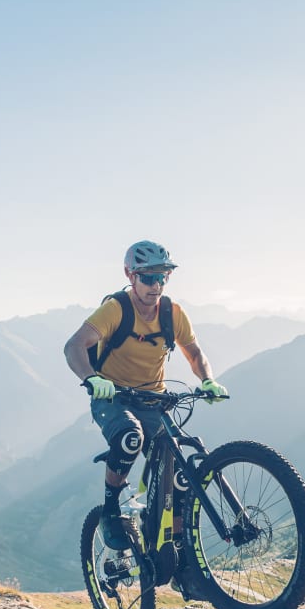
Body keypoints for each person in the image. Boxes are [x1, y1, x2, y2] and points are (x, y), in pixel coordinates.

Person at [64, 240, 228, 561]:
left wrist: (207, 379)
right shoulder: (117, 310)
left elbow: (193, 353)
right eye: (148, 277)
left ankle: (180, 559)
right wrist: (92, 379)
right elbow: (74, 346)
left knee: (179, 474)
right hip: (113, 397)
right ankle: (112, 510)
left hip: (154, 400)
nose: (156, 286)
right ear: (130, 275)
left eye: (162, 277)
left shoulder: (172, 313)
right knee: (128, 438)